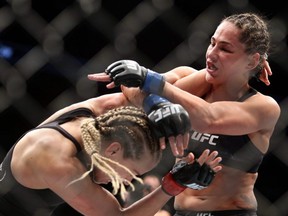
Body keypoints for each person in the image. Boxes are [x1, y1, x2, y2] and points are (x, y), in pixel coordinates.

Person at [89, 12, 281, 216]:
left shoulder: (264, 107)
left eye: (225, 48)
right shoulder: (188, 78)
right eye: (212, 43)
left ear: (252, 61)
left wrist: (153, 81)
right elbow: (132, 89)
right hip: (181, 210)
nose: (211, 53)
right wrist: (154, 97)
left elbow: (209, 118)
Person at [0, 91, 222, 216]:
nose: (128, 181)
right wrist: (171, 185)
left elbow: (170, 78)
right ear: (113, 149)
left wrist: (158, 101)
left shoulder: (96, 115)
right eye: (132, 172)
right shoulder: (56, 160)